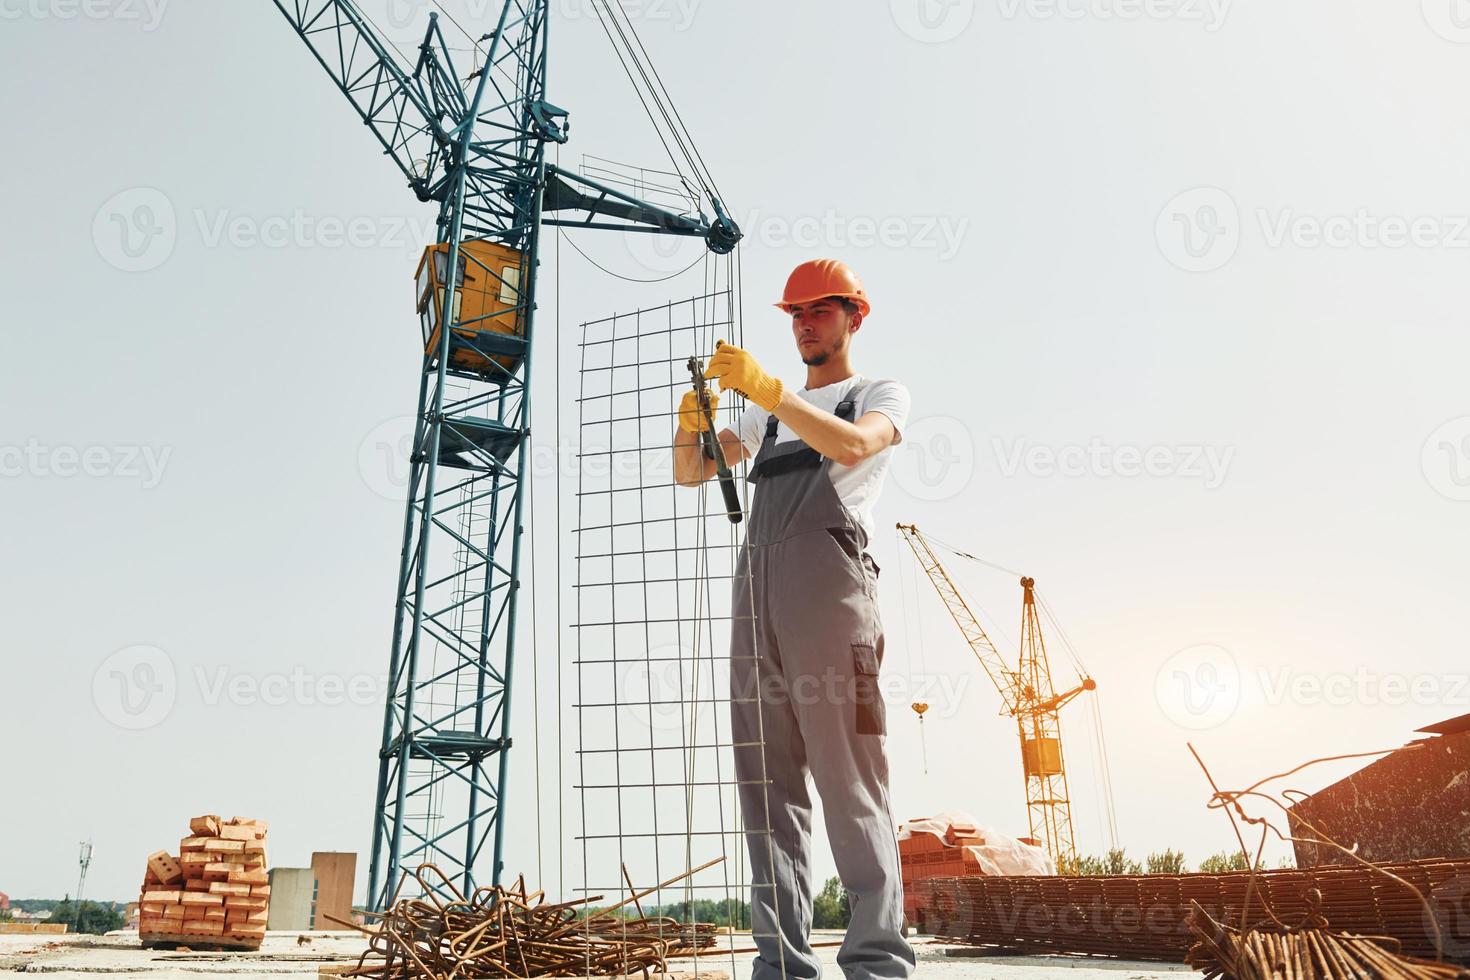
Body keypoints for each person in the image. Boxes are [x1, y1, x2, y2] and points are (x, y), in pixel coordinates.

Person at [672, 259, 916, 980]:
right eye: (796, 314)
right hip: (757, 600)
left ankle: (876, 963)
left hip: (832, 599)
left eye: (820, 311)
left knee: (851, 782)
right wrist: (694, 421)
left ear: (853, 317)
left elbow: (854, 445)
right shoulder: (762, 414)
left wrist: (770, 391)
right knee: (766, 786)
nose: (806, 324)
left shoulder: (876, 393)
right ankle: (780, 964)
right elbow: (693, 471)